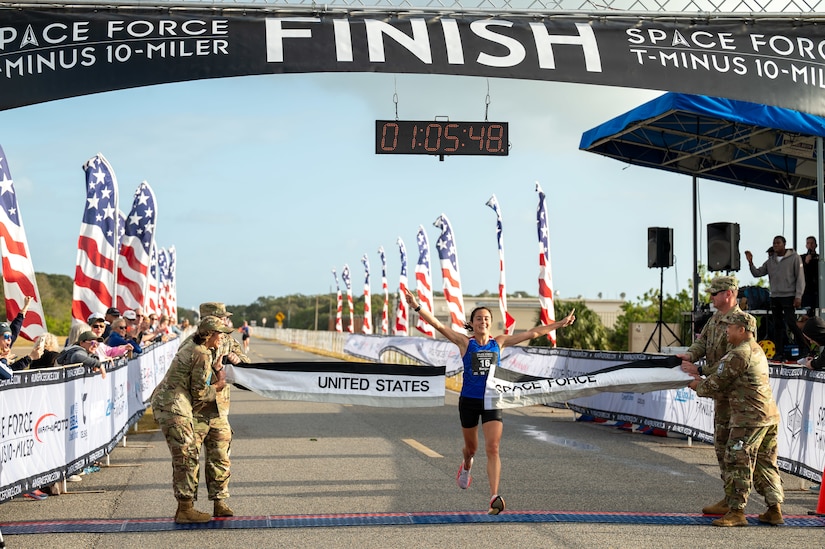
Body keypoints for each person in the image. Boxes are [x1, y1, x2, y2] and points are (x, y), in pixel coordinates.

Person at [404, 288, 576, 515]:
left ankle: (494, 496)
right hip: (469, 400)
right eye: (478, 318)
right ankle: (466, 466)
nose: (482, 321)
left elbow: (533, 334)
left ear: (490, 323)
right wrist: (416, 306)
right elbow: (438, 325)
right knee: (472, 449)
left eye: (486, 318)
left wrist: (559, 324)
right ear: (472, 323)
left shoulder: (500, 342)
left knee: (493, 447)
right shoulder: (465, 343)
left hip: (493, 400)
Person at [686, 311, 784, 527]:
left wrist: (696, 384)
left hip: (748, 419)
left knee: (738, 461)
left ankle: (736, 512)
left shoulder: (739, 354)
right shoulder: (756, 350)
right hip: (767, 417)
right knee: (764, 463)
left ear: (742, 330)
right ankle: (774, 509)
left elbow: (717, 383)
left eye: (730, 328)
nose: (726, 331)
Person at [150, 316, 233, 524]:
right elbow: (199, 393)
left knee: (187, 454)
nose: (222, 337)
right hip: (173, 406)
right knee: (186, 455)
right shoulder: (201, 353)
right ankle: (185, 510)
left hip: (174, 404)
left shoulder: (198, 349)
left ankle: (186, 507)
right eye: (219, 334)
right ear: (208, 335)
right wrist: (219, 386)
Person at [677, 275, 742, 516]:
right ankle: (729, 497)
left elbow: (734, 361)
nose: (711, 297)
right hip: (720, 394)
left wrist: (701, 370)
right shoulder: (714, 320)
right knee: (722, 446)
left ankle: (747, 503)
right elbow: (701, 344)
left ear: (729, 294)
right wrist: (688, 357)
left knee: (739, 452)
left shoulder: (742, 322)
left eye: (715, 293)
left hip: (737, 396)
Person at [189, 302, 249, 517]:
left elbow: (245, 363)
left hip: (220, 410)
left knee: (221, 458)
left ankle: (220, 502)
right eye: (222, 317)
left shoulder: (227, 340)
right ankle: (187, 506)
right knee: (190, 460)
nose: (226, 320)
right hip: (195, 410)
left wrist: (237, 360)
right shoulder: (191, 343)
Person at [745, 235, 806, 362]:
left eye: (778, 243)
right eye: (774, 243)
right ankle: (779, 352)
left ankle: (804, 347)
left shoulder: (794, 258)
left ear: (784, 244)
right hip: (775, 296)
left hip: (789, 295)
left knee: (790, 322)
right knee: (777, 325)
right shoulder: (770, 261)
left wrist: (798, 296)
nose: (775, 245)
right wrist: (750, 262)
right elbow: (758, 273)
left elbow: (800, 278)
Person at [802, 235, 819, 312]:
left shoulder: (819, 258)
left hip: (817, 289)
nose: (810, 245)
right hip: (806, 290)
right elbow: (799, 271)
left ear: (816, 245)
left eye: (812, 243)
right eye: (808, 243)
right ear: (806, 245)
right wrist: (806, 262)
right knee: (806, 312)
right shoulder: (802, 258)